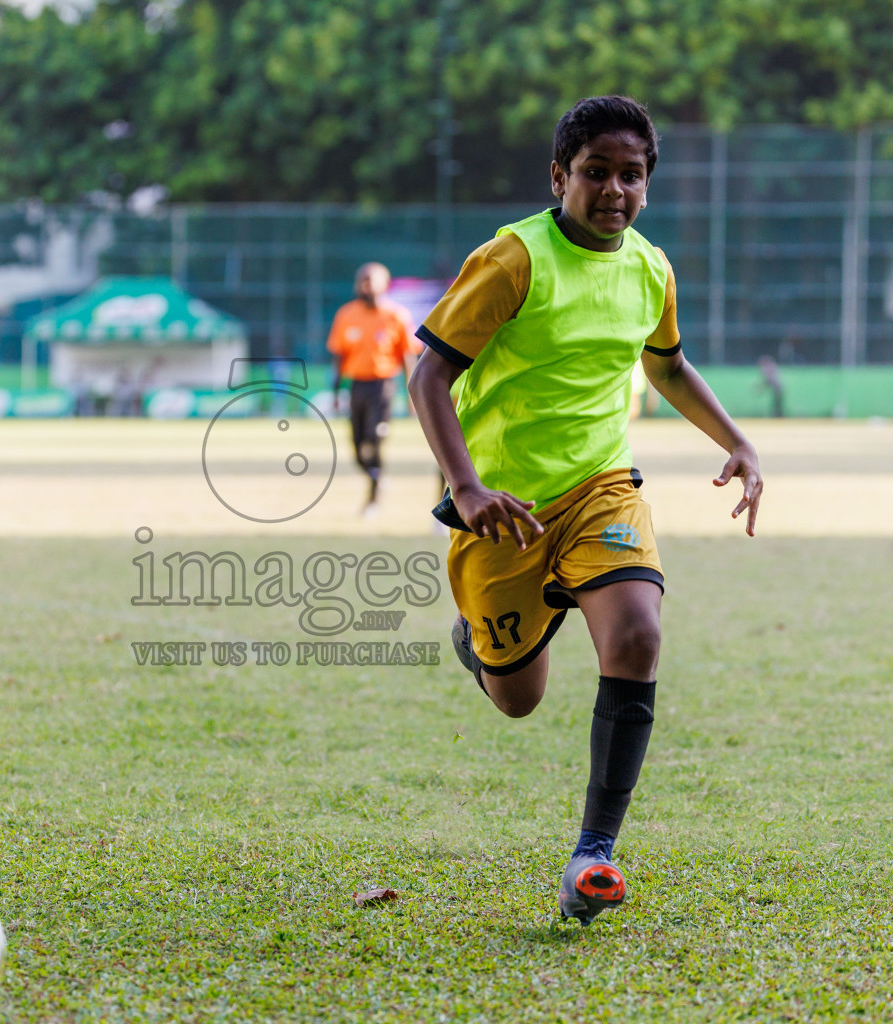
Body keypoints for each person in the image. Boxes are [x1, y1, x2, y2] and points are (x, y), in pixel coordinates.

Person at [407, 96, 764, 927]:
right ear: (559, 176)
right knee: (516, 698)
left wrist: (737, 441)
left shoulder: (650, 269)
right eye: (596, 172)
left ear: (648, 183)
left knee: (639, 633)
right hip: (503, 509)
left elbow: (667, 368)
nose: (614, 190)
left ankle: (592, 854)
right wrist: (465, 490)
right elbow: (426, 378)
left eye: (631, 175)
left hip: (604, 488)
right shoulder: (511, 262)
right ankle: (481, 639)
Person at [326, 262, 419, 517]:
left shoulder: (396, 316)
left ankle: (373, 497)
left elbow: (407, 358)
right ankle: (374, 474)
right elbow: (338, 356)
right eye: (362, 281)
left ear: (384, 284)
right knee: (357, 444)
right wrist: (335, 392)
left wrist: (412, 396)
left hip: (383, 386)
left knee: (375, 438)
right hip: (357, 385)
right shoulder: (346, 315)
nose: (366, 285)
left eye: (371, 280)